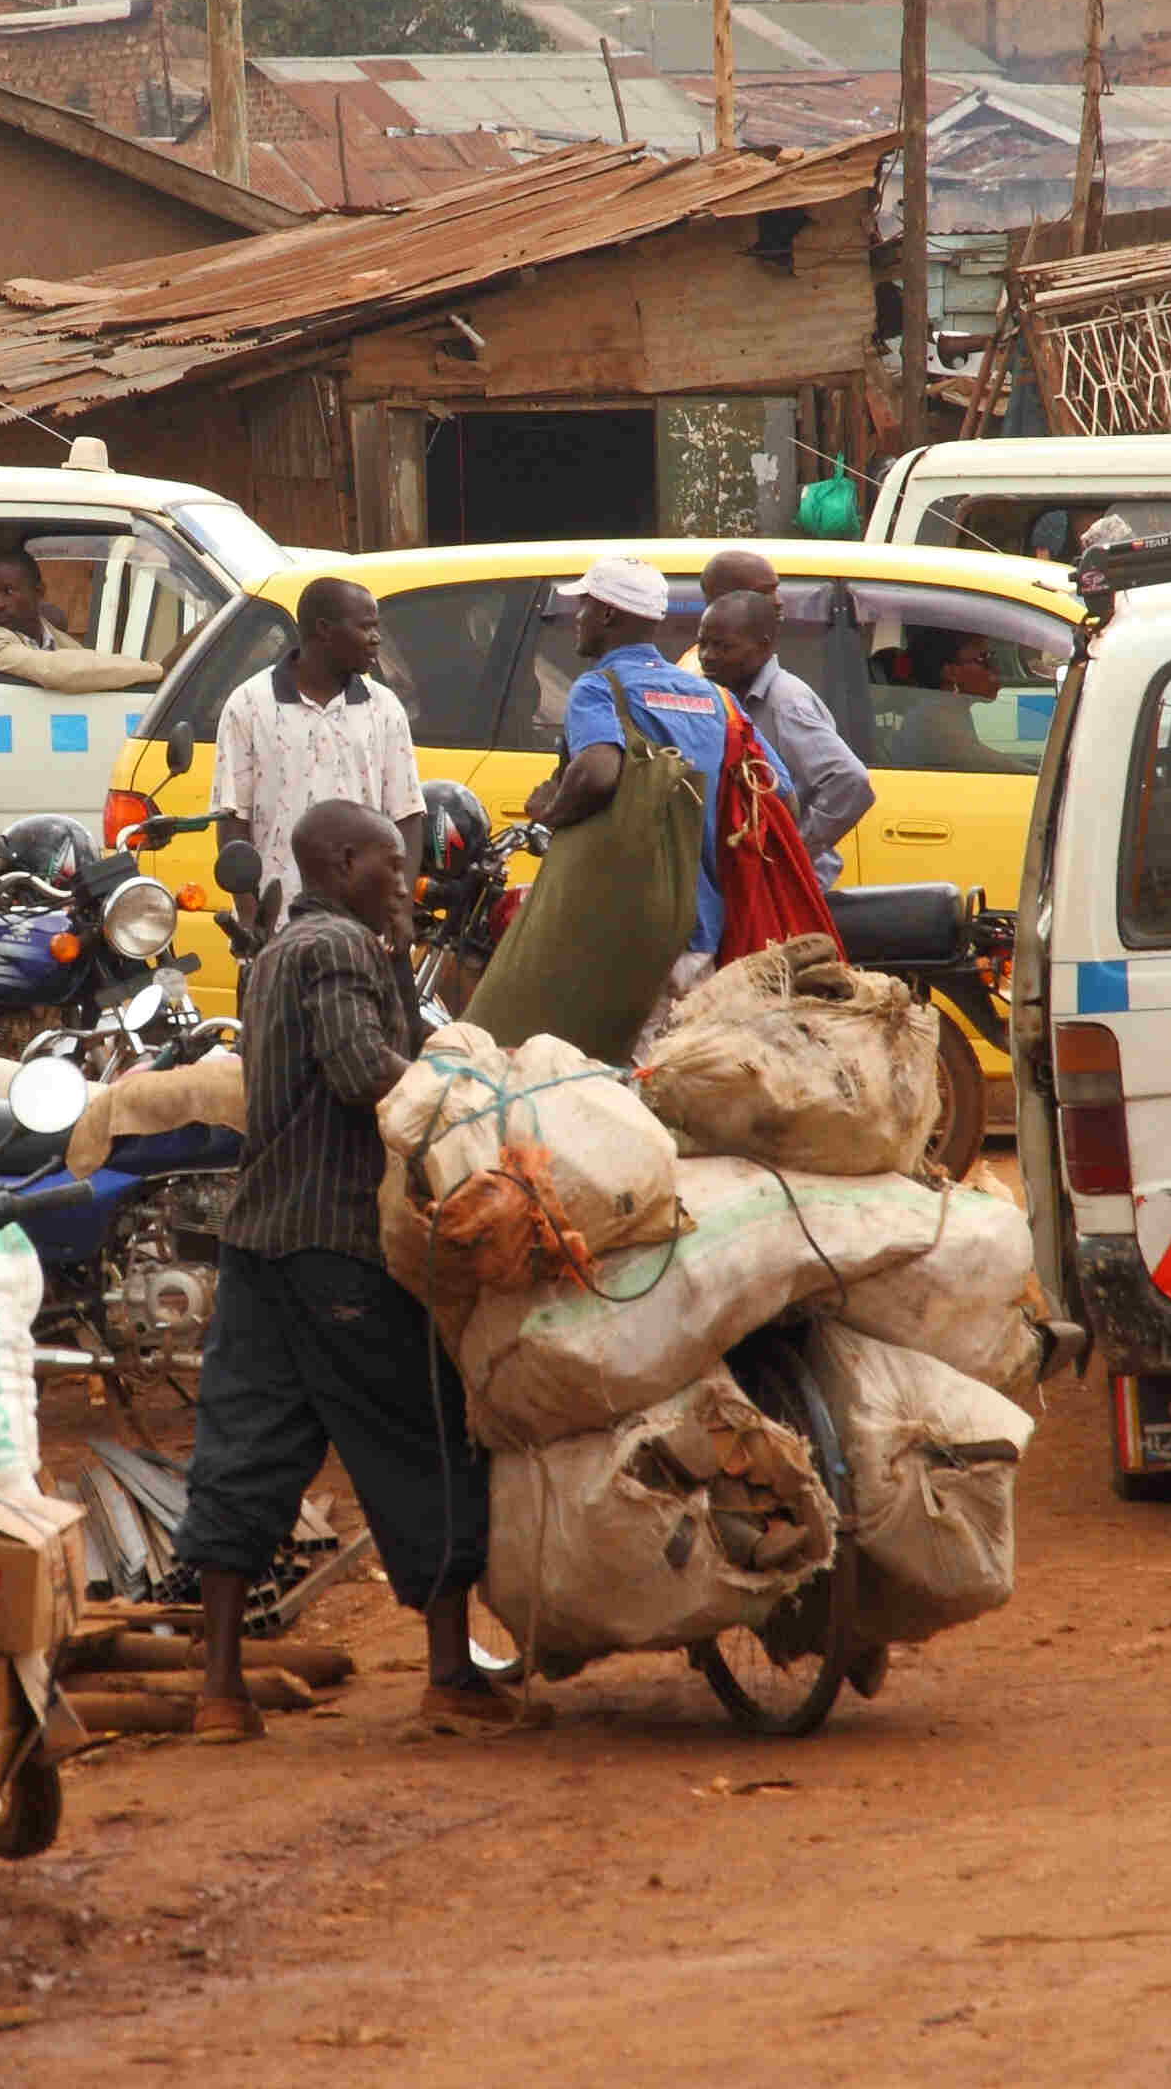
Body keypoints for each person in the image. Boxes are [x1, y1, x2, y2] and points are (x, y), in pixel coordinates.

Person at [184, 800, 528, 1741]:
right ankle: (450, 1675)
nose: (404, 879)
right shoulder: (339, 949)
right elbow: (359, 1070)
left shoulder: (279, 953)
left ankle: (221, 1692)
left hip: (261, 1240)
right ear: (340, 864)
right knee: (422, 1436)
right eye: (390, 864)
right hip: (339, 1244)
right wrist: (462, 1100)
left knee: (246, 1450)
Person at [535, 555, 740, 966]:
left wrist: (548, 817)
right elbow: (782, 797)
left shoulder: (597, 689)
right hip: (713, 937)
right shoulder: (717, 698)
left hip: (638, 938)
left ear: (607, 613)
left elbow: (597, 772)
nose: (578, 617)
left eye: (586, 605)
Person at [209, 574, 419, 922]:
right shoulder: (248, 705)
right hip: (281, 924)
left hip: (363, 924)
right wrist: (252, 922)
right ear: (324, 629)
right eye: (365, 627)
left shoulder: (384, 707)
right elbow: (233, 821)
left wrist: (401, 910)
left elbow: (407, 815)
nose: (376, 639)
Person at [694, 588, 874, 879]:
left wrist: (792, 851)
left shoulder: (785, 703)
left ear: (764, 646)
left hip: (784, 883)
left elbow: (851, 782)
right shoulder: (725, 696)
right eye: (703, 644)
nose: (707, 657)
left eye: (723, 647)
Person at [0, 549, 165, 694]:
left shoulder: (50, 634)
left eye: (7, 592)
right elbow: (57, 670)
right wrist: (157, 671)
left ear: (39, 592)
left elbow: (90, 663)